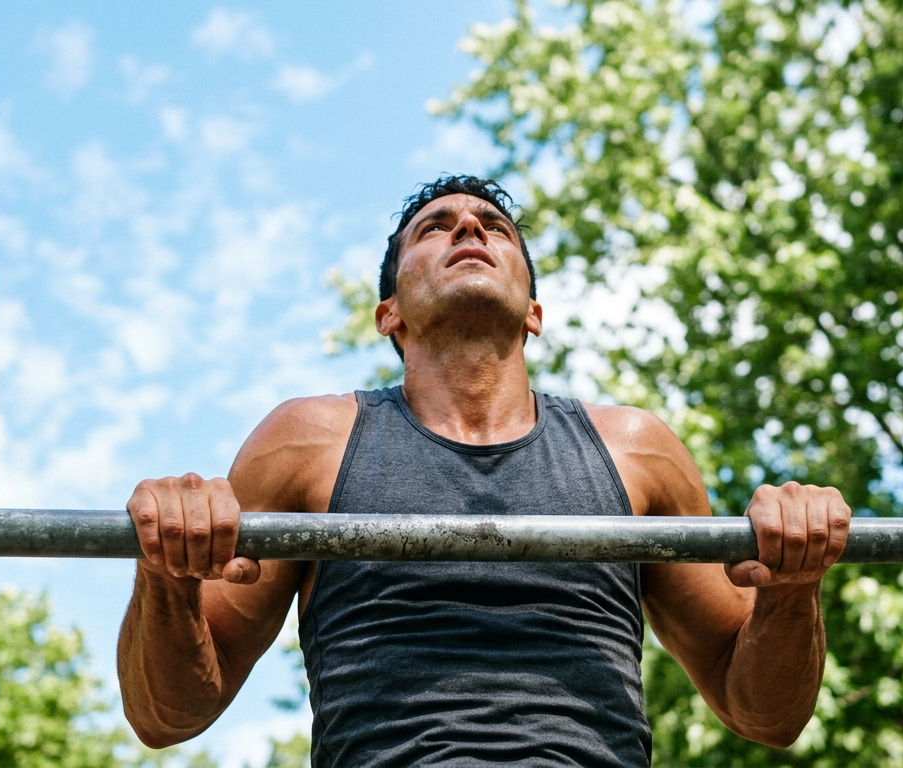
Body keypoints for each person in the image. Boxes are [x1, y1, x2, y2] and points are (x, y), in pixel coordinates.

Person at [117, 175, 852, 766]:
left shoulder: (636, 449)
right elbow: (167, 716)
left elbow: (766, 715)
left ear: (534, 311)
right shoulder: (309, 439)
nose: (469, 227)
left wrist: (793, 588)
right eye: (433, 228)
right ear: (388, 313)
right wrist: (165, 573)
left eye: (493, 227)